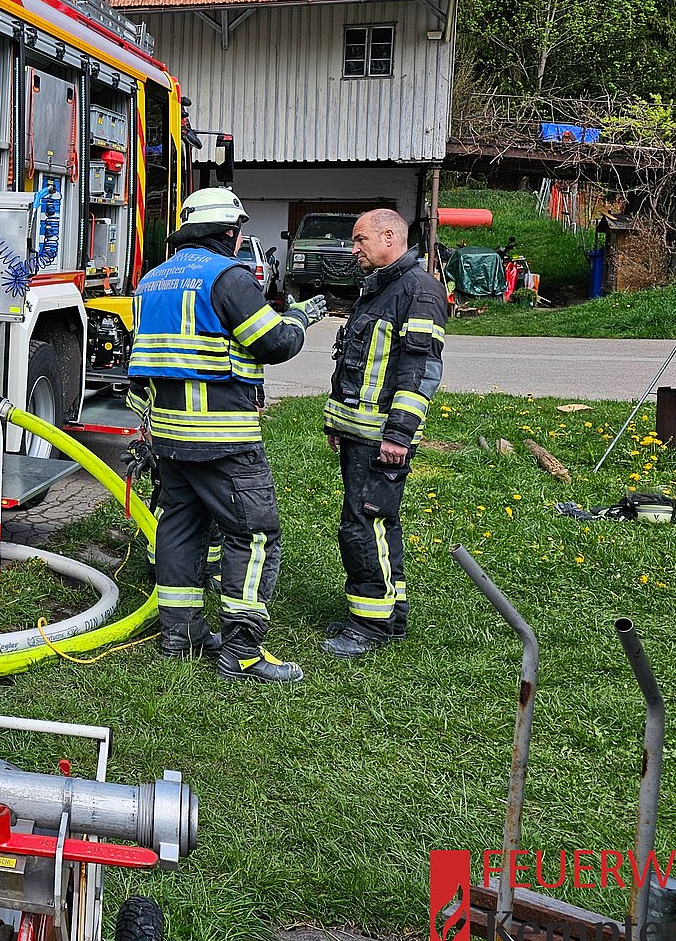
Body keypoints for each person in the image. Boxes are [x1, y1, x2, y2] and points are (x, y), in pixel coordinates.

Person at [129, 187, 325, 683]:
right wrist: (299, 318)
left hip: (169, 437)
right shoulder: (228, 277)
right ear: (231, 233)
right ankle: (242, 653)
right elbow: (274, 343)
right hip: (223, 435)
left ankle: (181, 636)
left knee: (179, 528)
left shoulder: (152, 280)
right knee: (253, 534)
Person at [321, 208, 447, 658]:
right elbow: (357, 364)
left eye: (361, 240)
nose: (354, 249)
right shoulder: (380, 288)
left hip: (381, 439)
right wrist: (336, 423)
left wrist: (399, 434)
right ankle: (389, 615)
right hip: (360, 433)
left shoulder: (418, 291)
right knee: (376, 523)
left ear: (390, 237)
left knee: (363, 525)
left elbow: (420, 369)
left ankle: (369, 626)